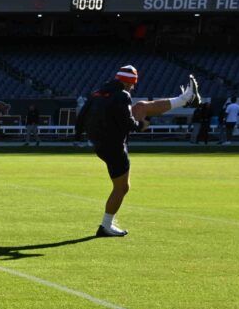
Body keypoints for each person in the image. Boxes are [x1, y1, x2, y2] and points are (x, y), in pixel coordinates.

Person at [77, 64, 200, 238]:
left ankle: (185, 99)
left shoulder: (99, 93)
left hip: (102, 141)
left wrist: (77, 135)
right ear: (129, 83)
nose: (133, 87)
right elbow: (128, 124)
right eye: (133, 84)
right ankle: (106, 226)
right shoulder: (122, 95)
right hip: (113, 145)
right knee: (122, 187)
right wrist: (141, 125)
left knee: (142, 106)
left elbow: (82, 115)